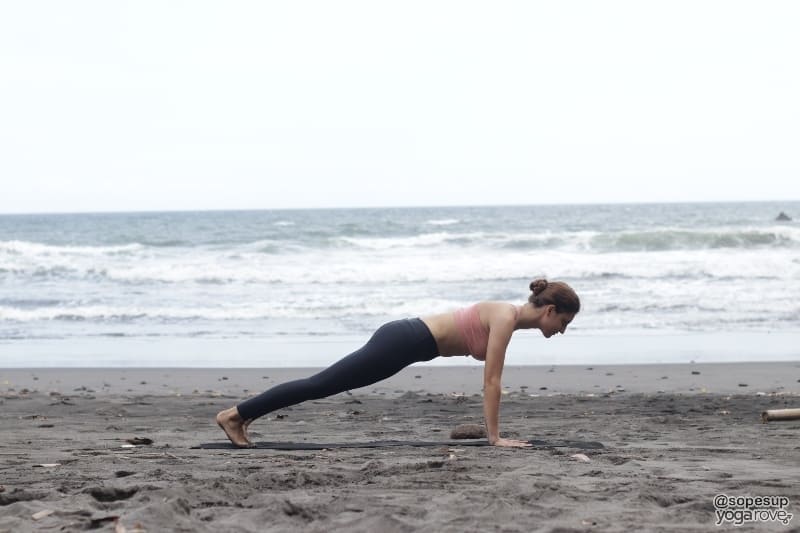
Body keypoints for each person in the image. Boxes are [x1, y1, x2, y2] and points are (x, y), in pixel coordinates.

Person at [216, 278, 580, 448]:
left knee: (325, 384)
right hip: (407, 339)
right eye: (563, 323)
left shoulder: (507, 319)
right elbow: (492, 382)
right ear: (550, 310)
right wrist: (496, 438)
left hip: (410, 343)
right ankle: (235, 415)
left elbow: (490, 377)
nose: (561, 331)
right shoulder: (504, 317)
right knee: (322, 384)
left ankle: (243, 415)